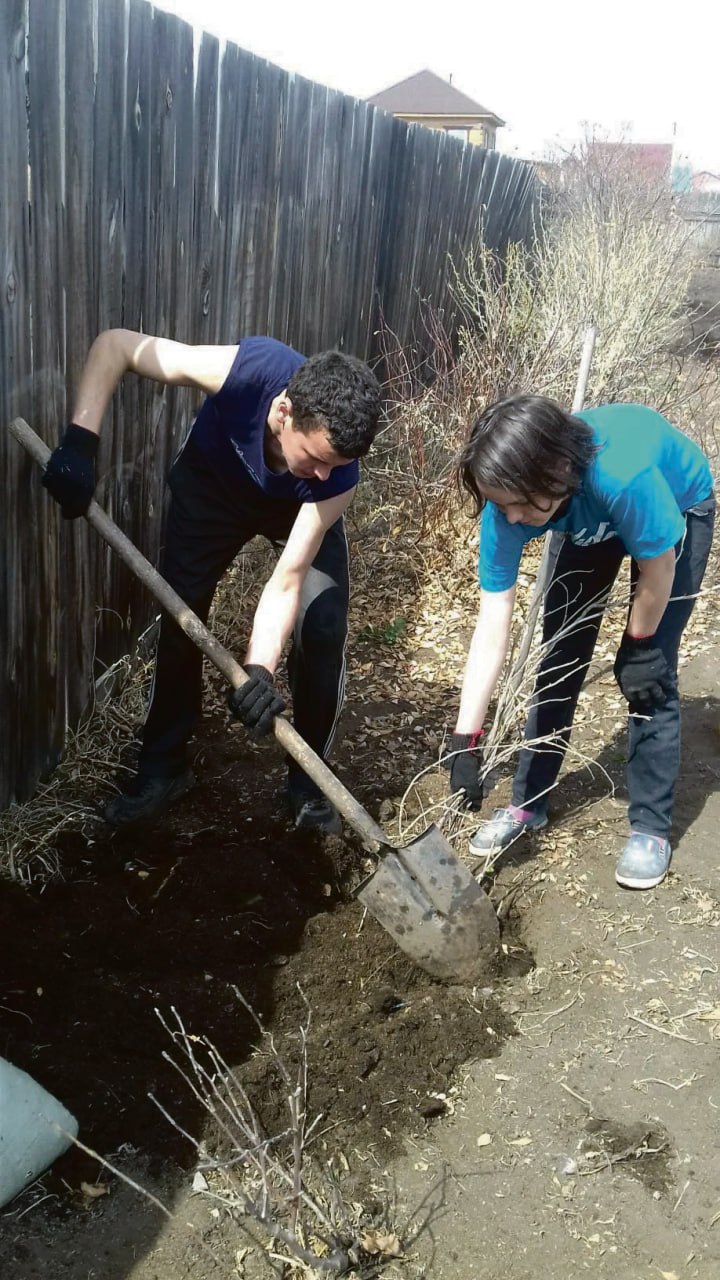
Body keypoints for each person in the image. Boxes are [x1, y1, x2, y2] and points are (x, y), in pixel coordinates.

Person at [42, 330, 382, 833]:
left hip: (296, 515)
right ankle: (163, 768)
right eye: (314, 457)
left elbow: (287, 579)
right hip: (212, 489)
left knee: (323, 624)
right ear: (285, 412)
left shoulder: (332, 478)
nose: (320, 473)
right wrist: (80, 441)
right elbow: (115, 346)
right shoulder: (245, 372)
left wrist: (259, 671)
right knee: (180, 613)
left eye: (334, 465)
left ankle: (310, 784)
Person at [446, 394, 715, 889]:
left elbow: (659, 567)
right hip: (588, 516)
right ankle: (527, 805)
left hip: (676, 505)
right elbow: (492, 622)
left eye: (515, 505)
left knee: (650, 673)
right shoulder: (507, 507)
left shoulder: (623, 475)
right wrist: (467, 738)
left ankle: (650, 827)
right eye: (497, 504)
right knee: (559, 659)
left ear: (557, 470)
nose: (507, 519)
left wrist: (637, 643)